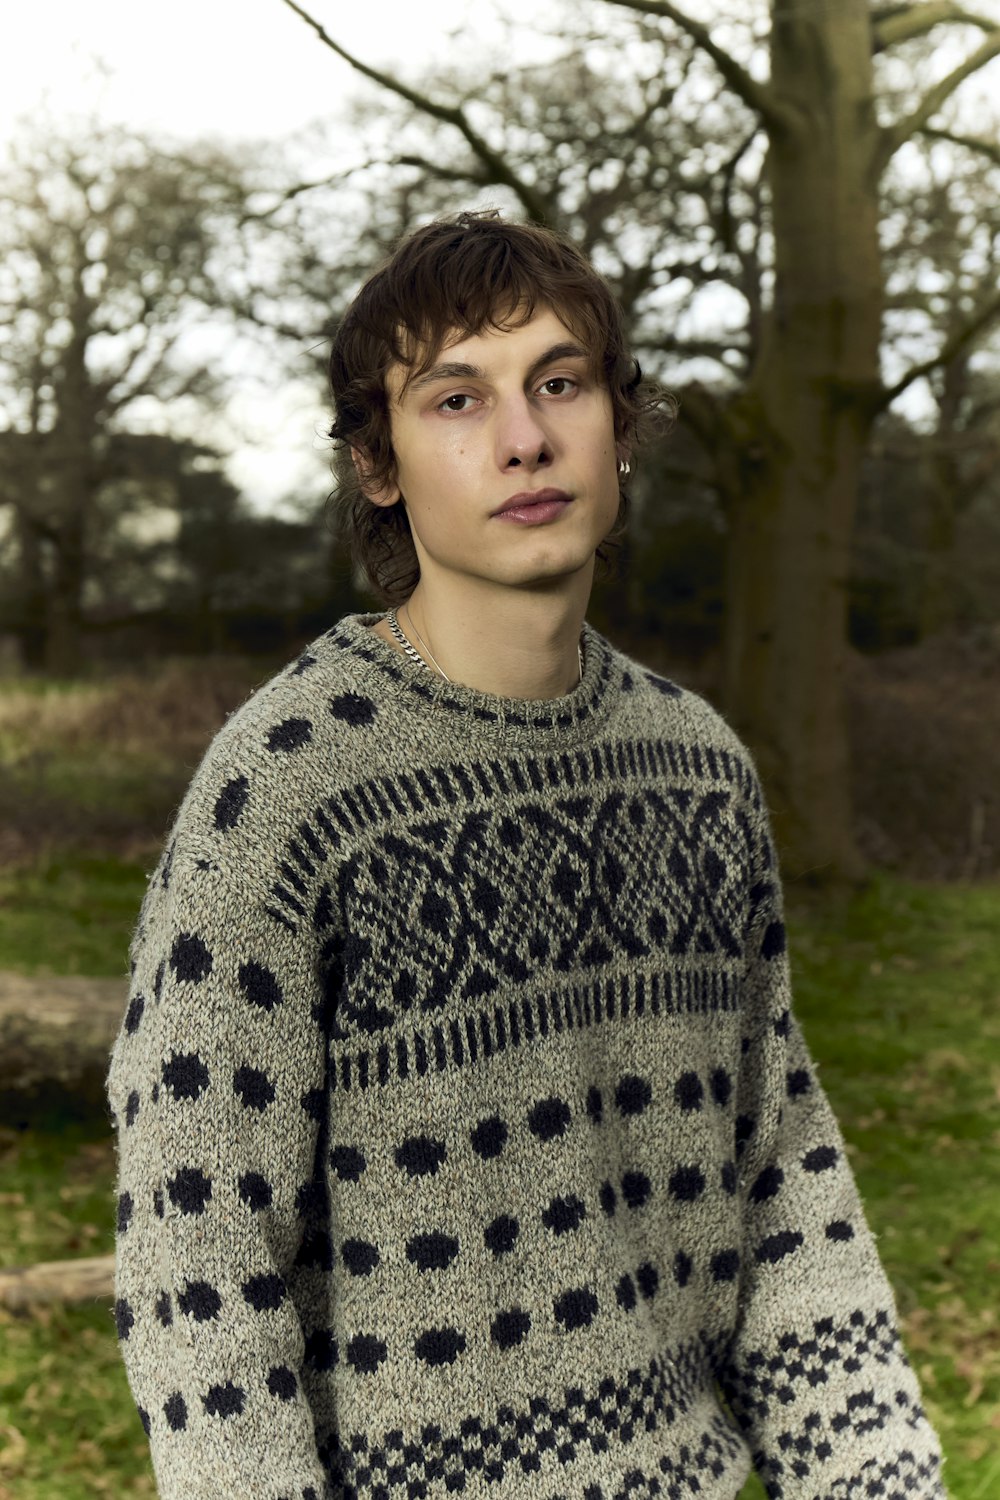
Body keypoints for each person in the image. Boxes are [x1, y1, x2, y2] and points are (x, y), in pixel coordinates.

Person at [107, 209, 946, 1500]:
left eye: (562, 382)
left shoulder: (698, 767)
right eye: (456, 398)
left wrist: (879, 1477)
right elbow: (198, 1256)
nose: (524, 438)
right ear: (377, 464)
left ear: (620, 424)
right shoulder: (284, 794)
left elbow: (777, 1172)